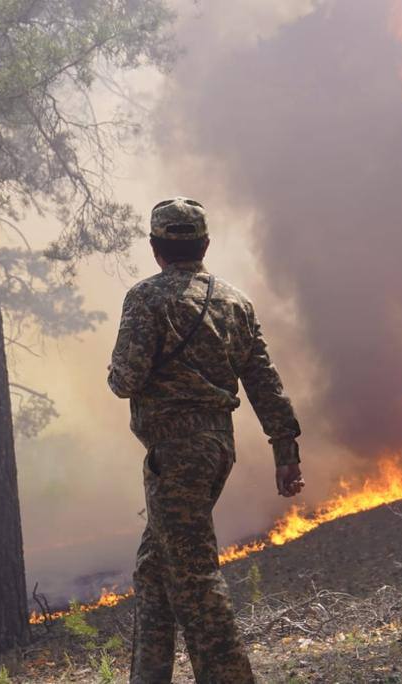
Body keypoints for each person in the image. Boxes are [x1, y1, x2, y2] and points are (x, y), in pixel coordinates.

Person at [108, 197, 304, 683]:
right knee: (155, 571)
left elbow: (126, 380)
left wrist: (115, 374)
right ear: (205, 245)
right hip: (217, 447)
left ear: (156, 248)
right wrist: (286, 449)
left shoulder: (145, 299)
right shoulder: (235, 302)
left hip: (174, 455)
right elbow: (263, 379)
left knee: (193, 576)